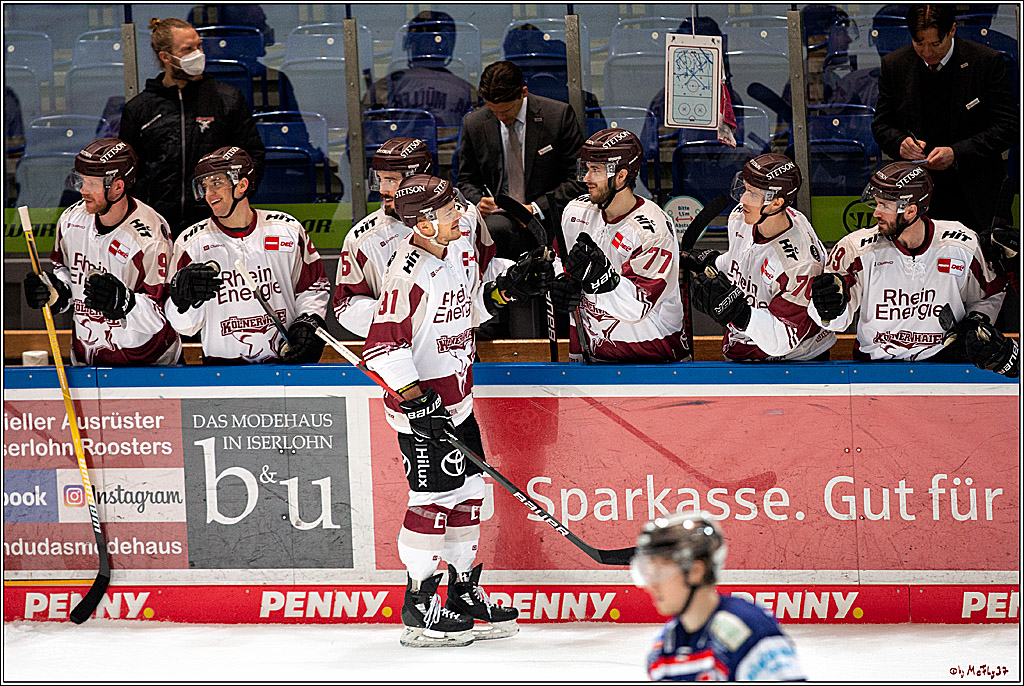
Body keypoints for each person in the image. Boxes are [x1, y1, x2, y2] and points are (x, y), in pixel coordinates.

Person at [363, 174, 553, 646]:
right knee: (432, 502)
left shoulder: (458, 249)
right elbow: (382, 348)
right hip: (423, 412)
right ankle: (419, 603)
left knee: (470, 494)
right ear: (424, 224)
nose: (460, 214)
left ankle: (463, 591)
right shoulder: (405, 271)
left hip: (459, 403)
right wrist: (416, 398)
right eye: (449, 210)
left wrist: (507, 291)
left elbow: (469, 312)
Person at [808, 162, 1016, 377]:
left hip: (944, 366)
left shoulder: (962, 243)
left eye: (884, 206)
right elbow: (834, 324)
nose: (875, 213)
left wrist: (976, 321)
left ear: (910, 211)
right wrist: (827, 309)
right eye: (877, 204)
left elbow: (991, 293)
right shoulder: (854, 249)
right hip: (873, 369)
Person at [22, 138, 180, 365]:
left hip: (145, 366)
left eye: (92, 184)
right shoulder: (70, 220)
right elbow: (64, 270)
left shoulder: (151, 235)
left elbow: (163, 315)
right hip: (86, 360)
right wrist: (57, 291)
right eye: (81, 181)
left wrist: (126, 303)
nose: (82, 190)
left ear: (118, 186)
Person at [165, 147, 330, 364]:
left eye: (216, 183)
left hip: (286, 366)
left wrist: (308, 321)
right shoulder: (190, 243)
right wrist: (182, 301)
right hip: (222, 372)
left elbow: (313, 288)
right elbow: (185, 327)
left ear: (242, 185)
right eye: (205, 186)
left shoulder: (287, 229)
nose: (209, 194)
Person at [871, 4, 1017, 235]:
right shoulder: (895, 65)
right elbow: (881, 125)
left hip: (976, 194)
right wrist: (900, 142)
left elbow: (1008, 127)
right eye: (919, 43)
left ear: (952, 30)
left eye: (935, 43)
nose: (927, 52)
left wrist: (956, 152)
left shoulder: (985, 62)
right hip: (916, 194)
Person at [333, 137, 494, 338]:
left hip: (458, 347)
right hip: (403, 350)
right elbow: (346, 306)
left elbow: (485, 271)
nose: (382, 189)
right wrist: (403, 322)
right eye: (379, 179)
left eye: (391, 180)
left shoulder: (465, 217)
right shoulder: (363, 239)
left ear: (418, 180)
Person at [120, 17, 265, 237]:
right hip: (157, 228)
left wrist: (232, 205)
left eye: (199, 46)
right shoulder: (140, 109)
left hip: (217, 224)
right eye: (188, 49)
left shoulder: (227, 99)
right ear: (165, 57)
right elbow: (128, 172)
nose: (198, 54)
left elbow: (253, 157)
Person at [553, 128, 690, 363]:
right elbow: (559, 259)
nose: (586, 178)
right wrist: (560, 281)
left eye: (595, 170)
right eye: (586, 169)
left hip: (654, 361)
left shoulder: (653, 231)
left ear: (621, 176)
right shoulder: (576, 213)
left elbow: (637, 306)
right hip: (595, 356)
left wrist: (601, 280)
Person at [683, 154, 836, 361]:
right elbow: (740, 259)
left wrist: (739, 313)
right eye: (744, 188)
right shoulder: (741, 218)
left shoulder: (799, 264)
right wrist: (713, 263)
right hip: (742, 351)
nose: (743, 199)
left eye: (753, 194)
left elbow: (783, 340)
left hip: (795, 363)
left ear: (776, 202)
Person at [632, 511, 806, 681]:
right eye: (647, 573)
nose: (651, 586)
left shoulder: (748, 633)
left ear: (695, 572)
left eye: (661, 572)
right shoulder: (664, 649)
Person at [456, 60, 586, 260]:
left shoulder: (557, 117)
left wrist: (534, 209)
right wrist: (478, 201)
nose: (500, 117)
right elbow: (466, 181)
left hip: (549, 212)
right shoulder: (474, 123)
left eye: (506, 111)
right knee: (492, 229)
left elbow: (578, 179)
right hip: (501, 215)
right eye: (494, 111)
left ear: (523, 92)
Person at [365, 10, 478, 137]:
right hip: (448, 156)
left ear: (410, 44)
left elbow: (361, 142)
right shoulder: (467, 91)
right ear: (449, 46)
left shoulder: (384, 87)